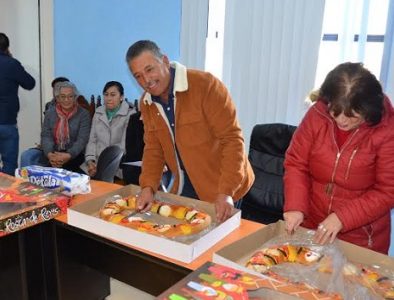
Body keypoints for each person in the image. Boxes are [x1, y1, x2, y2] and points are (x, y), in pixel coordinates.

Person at [125, 40, 254, 222]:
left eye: (149, 69)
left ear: (164, 61)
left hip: (223, 185)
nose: (146, 80)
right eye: (138, 76)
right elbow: (154, 149)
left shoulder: (206, 85)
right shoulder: (147, 103)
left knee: (214, 244)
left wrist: (226, 192)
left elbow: (232, 141)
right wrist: (148, 187)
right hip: (184, 184)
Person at [283, 62, 394, 254]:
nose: (341, 120)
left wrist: (342, 218)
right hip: (313, 225)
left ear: (369, 110)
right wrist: (295, 205)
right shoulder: (317, 115)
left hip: (360, 238)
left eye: (352, 115)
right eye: (335, 111)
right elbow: (296, 163)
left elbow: (388, 191)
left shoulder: (387, 130)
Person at [20, 81, 90, 173]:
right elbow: (46, 135)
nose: (66, 100)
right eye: (63, 96)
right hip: (52, 152)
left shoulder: (83, 114)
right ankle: (27, 185)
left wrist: (68, 155)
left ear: (75, 98)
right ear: (58, 98)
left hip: (74, 154)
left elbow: (82, 139)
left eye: (70, 96)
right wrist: (50, 155)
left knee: (65, 168)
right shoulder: (50, 113)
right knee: (27, 156)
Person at [0, 32, 35, 175]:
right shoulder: (11, 64)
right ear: (7, 47)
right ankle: (6, 196)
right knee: (9, 166)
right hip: (7, 122)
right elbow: (30, 83)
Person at [84, 81, 133, 177]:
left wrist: (103, 165)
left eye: (113, 95)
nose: (109, 98)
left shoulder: (130, 114)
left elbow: (123, 147)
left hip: (117, 164)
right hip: (95, 163)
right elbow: (92, 141)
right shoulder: (98, 112)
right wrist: (90, 161)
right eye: (106, 95)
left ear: (121, 97)